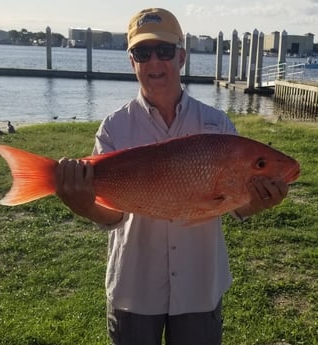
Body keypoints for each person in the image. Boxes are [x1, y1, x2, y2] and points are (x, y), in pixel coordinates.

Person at [56, 8, 289, 345]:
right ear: (131, 60)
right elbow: (115, 215)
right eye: (142, 52)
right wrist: (85, 204)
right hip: (135, 286)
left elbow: (236, 207)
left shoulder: (217, 125)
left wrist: (260, 202)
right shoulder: (115, 127)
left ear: (181, 57)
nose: (154, 62)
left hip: (199, 286)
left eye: (164, 51)